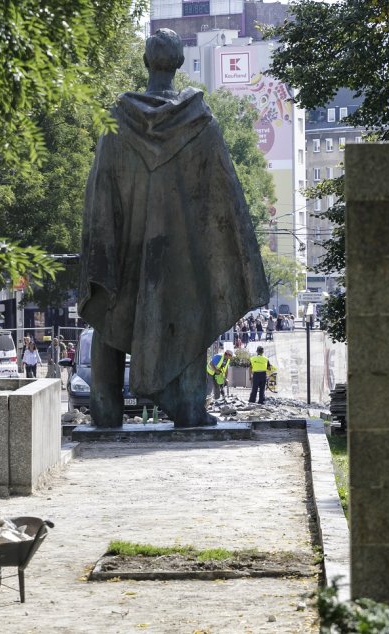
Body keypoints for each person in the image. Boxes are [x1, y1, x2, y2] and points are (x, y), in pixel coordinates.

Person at [78, 29, 268, 427]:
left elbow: (99, 197)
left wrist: (102, 248)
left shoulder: (116, 122)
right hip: (182, 257)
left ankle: (106, 410)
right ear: (179, 64)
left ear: (146, 62)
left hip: (125, 252)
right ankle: (190, 407)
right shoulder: (201, 124)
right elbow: (225, 201)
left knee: (109, 312)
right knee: (193, 308)